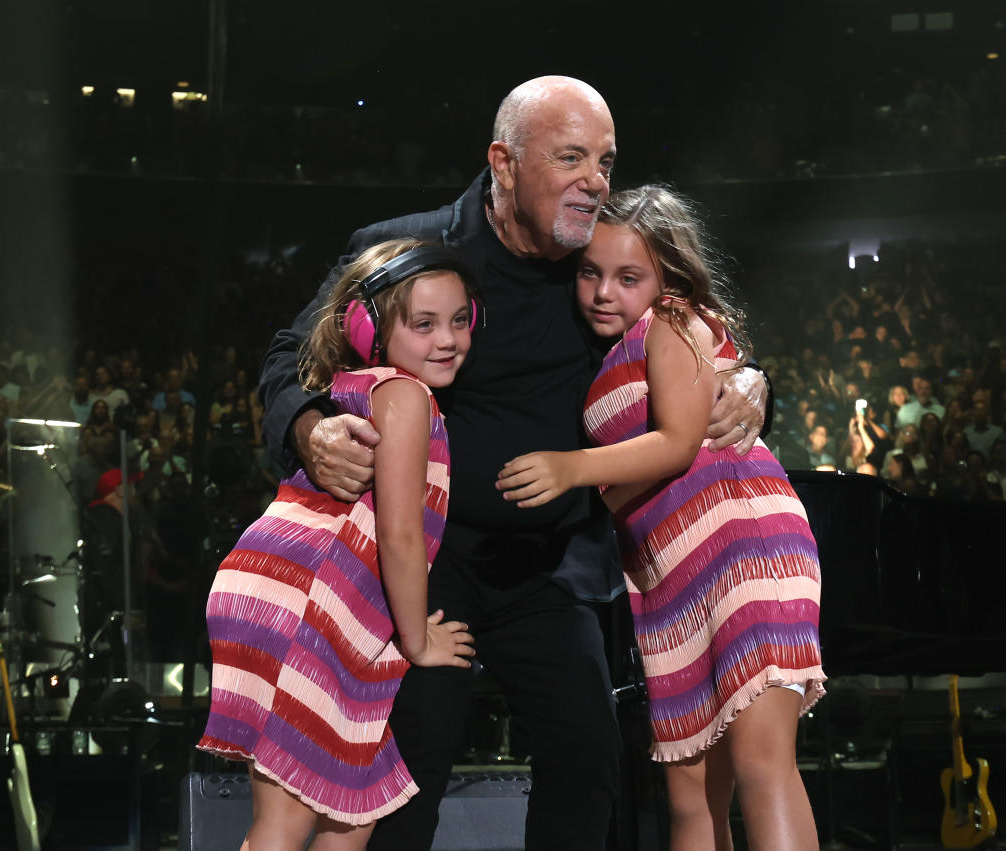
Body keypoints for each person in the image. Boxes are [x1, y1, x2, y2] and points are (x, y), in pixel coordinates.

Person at [257, 76, 771, 850]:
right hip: (427, 557)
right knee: (408, 757)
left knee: (588, 751)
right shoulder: (407, 249)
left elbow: (695, 325)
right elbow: (289, 355)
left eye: (605, 160)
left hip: (550, 563)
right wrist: (304, 428)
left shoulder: (600, 264)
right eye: (571, 157)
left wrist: (755, 384)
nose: (596, 180)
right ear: (503, 162)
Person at [497, 185, 824, 851]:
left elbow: (677, 443)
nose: (602, 292)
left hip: (742, 548)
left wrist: (568, 467)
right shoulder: (614, 348)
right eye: (590, 272)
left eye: (628, 277)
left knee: (763, 767)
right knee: (691, 800)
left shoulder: (672, 320)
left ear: (667, 278)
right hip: (670, 579)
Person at [198, 240, 478, 851]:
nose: (448, 339)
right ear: (366, 328)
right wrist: (418, 641)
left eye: (460, 320)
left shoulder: (360, 387)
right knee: (282, 825)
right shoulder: (406, 398)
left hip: (294, 599)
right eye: (423, 324)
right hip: (306, 610)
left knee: (350, 817)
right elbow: (401, 536)